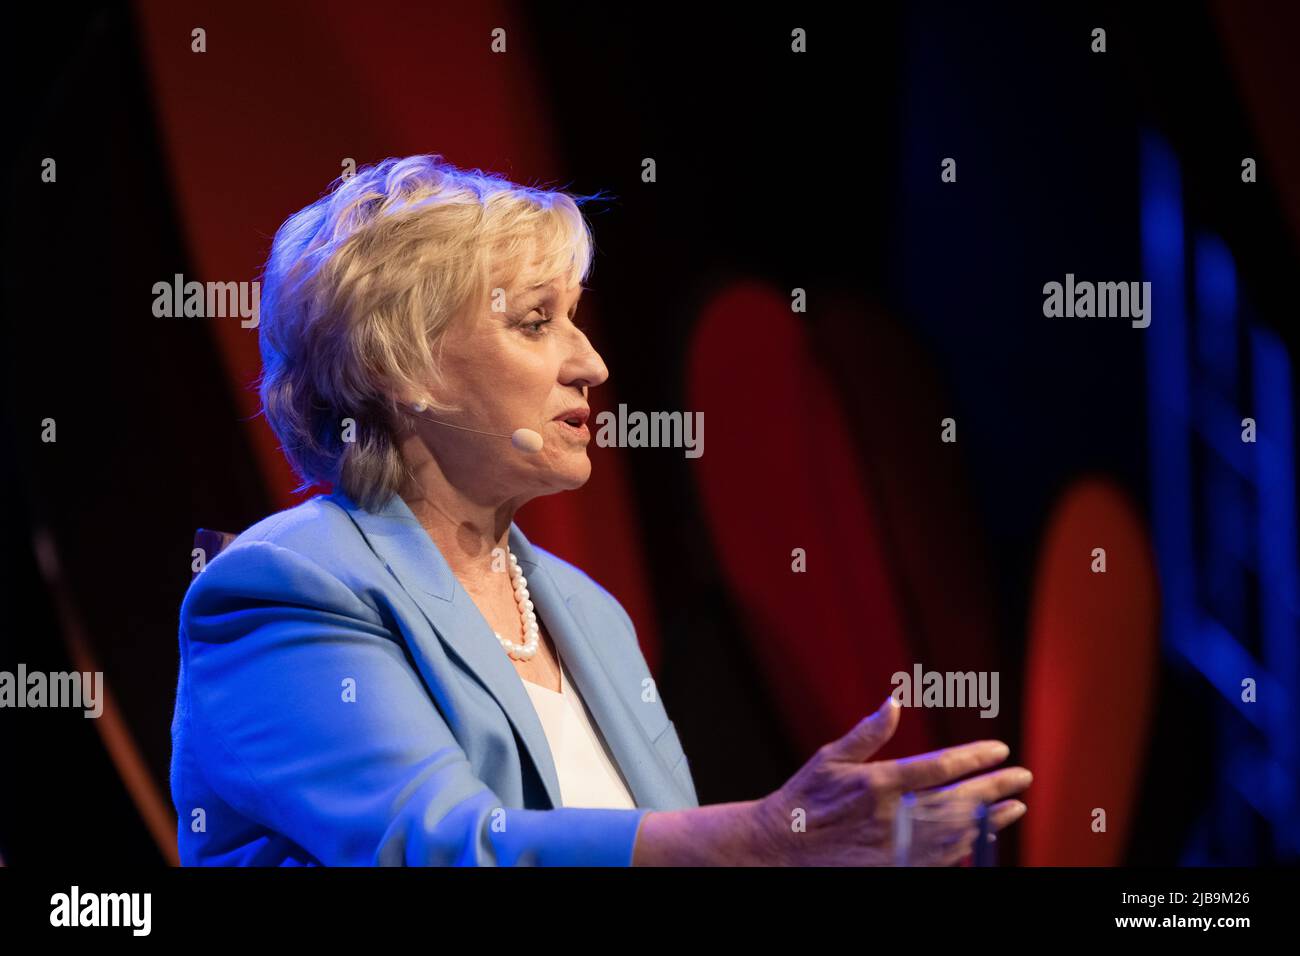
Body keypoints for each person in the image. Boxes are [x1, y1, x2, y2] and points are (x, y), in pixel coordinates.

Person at [169, 154, 1032, 865]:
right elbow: (437, 850)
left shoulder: (588, 613)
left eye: (576, 319)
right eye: (537, 322)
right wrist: (764, 839)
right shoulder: (288, 587)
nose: (592, 363)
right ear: (405, 370)